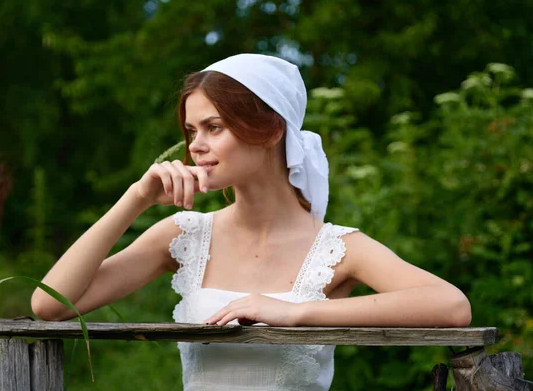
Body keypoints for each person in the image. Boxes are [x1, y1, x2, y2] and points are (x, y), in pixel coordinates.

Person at [31, 54, 472, 390]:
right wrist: (135, 199)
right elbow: (49, 305)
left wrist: (295, 314)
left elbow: (451, 307)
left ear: (272, 129)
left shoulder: (337, 249)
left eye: (214, 127)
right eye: (191, 131)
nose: (196, 146)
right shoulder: (183, 237)